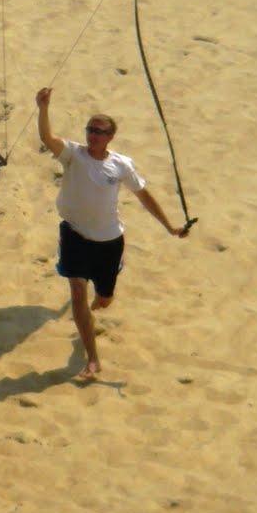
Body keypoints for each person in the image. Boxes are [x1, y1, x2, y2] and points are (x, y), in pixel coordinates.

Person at [35, 87, 188, 379]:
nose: (93, 135)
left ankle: (98, 304)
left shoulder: (121, 165)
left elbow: (144, 196)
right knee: (78, 292)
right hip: (74, 235)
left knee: (103, 299)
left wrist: (170, 227)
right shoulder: (73, 155)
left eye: (99, 131)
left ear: (110, 137)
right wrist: (43, 108)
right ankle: (93, 359)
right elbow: (47, 138)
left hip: (108, 242)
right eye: (90, 129)